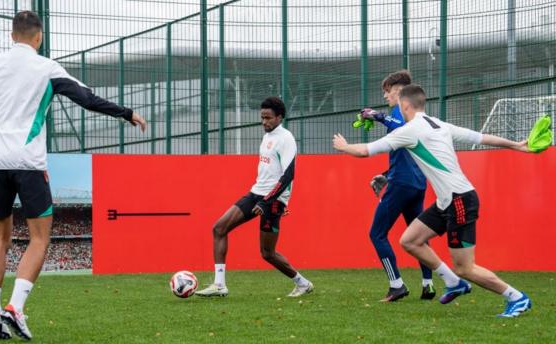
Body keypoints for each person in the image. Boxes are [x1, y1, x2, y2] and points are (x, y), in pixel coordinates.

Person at [0, 11, 146, 340]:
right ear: (39, 37)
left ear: (11, 35)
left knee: (0, 238)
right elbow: (86, 99)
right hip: (29, 164)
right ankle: (15, 308)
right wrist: (126, 113)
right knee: (39, 238)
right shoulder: (47, 68)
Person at [332, 84, 532, 318]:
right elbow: (480, 137)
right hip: (448, 200)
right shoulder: (438, 123)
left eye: (396, 99)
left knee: (465, 267)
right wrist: (516, 144)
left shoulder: (411, 130)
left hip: (459, 201)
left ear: (404, 104)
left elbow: (366, 150)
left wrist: (344, 147)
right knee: (410, 240)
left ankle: (517, 298)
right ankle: (453, 282)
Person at [195, 97, 313, 298]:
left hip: (272, 201)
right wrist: (260, 197)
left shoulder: (286, 138)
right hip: (256, 193)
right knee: (219, 228)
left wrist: (268, 201)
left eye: (268, 118)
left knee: (267, 253)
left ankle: (302, 283)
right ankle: (219, 284)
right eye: (262, 117)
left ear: (279, 117)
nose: (264, 122)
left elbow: (288, 175)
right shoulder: (268, 136)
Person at [359, 70, 434, 302]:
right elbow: (406, 155)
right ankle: (428, 285)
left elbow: (398, 127)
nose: (385, 96)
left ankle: (396, 285)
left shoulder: (400, 113)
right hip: (417, 183)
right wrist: (385, 175)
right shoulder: (420, 118)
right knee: (418, 237)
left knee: (377, 234)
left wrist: (376, 115)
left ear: (400, 91)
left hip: (402, 184)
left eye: (388, 91)